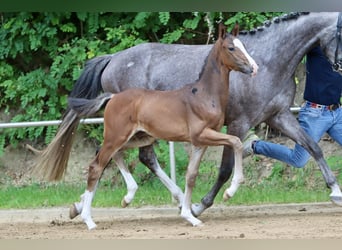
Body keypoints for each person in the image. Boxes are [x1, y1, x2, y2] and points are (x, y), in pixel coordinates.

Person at [243, 45, 342, 168]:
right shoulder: (318, 45)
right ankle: (254, 145)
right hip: (315, 114)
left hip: (337, 113)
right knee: (298, 160)